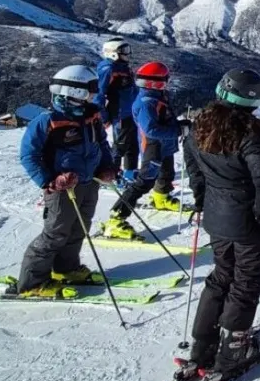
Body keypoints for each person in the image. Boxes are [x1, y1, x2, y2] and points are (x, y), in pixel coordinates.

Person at [179, 69, 260, 378]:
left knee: (222, 275)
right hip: (246, 221)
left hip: (216, 218)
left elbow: (194, 168)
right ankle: (232, 352)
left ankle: (202, 345)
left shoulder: (200, 127)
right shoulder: (249, 135)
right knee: (246, 281)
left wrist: (201, 200)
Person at [12, 65, 116, 297]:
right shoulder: (47, 120)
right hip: (62, 189)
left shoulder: (91, 115)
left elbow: (101, 143)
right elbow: (28, 155)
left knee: (79, 229)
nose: (93, 95)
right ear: (75, 92)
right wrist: (50, 180)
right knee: (55, 233)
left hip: (89, 183)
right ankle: (32, 283)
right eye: (89, 91)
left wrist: (106, 167)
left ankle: (65, 269)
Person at [102, 61, 185, 239]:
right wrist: (178, 130)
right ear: (154, 83)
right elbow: (151, 129)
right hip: (153, 147)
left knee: (166, 172)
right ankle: (117, 217)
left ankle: (161, 196)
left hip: (165, 145)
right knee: (144, 181)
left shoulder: (157, 96)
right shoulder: (147, 102)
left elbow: (164, 120)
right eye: (164, 79)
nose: (167, 82)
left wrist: (179, 125)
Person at [94, 37, 138, 182]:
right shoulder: (108, 69)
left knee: (132, 143)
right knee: (120, 145)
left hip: (130, 112)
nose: (128, 54)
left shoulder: (123, 67)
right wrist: (104, 117)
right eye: (124, 51)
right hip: (119, 113)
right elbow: (98, 95)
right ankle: (112, 174)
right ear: (112, 53)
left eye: (128, 50)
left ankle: (130, 172)